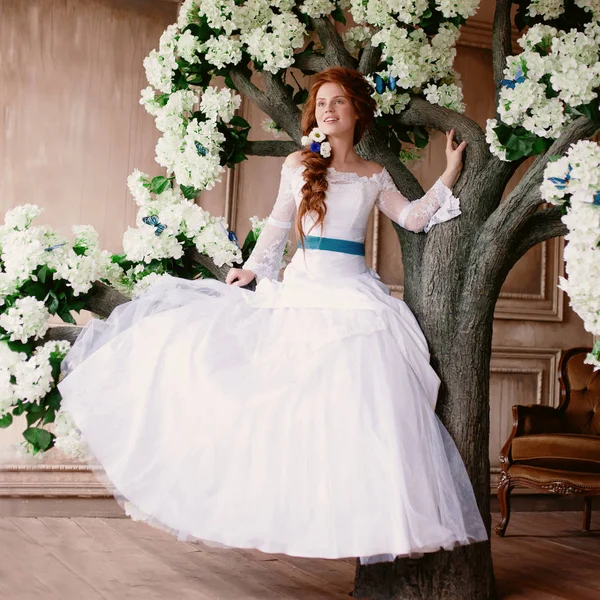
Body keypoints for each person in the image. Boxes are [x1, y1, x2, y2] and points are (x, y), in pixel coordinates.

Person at [58, 66, 487, 565]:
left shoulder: (374, 175)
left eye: (338, 102)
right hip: (302, 290)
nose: (327, 110)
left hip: (353, 295)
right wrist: (251, 271)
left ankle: (356, 515)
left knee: (363, 399)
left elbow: (414, 219)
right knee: (270, 395)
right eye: (320, 103)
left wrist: (451, 171)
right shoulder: (297, 165)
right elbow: (278, 227)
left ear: (358, 112)